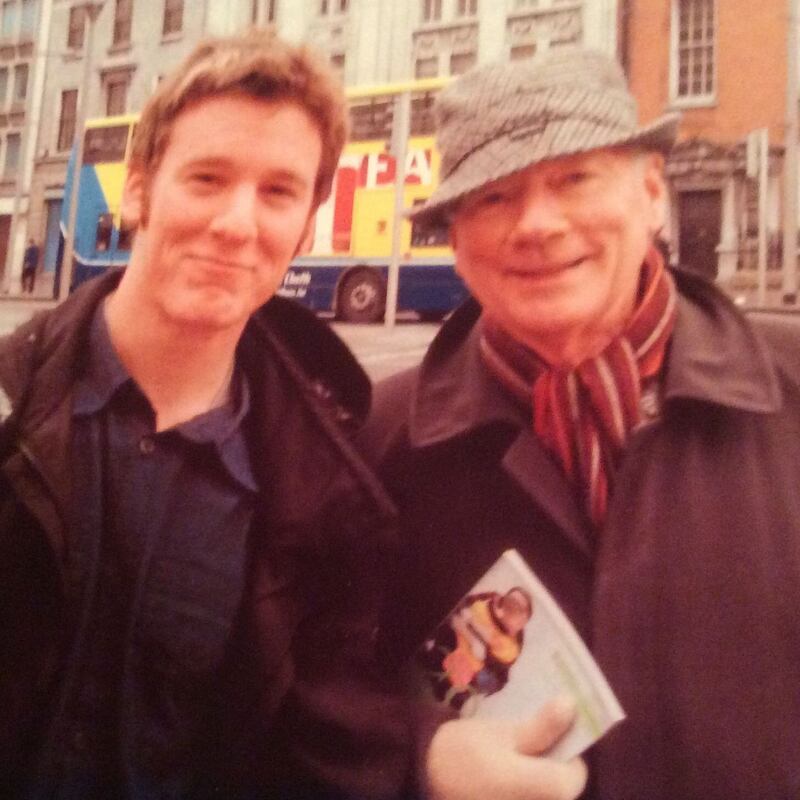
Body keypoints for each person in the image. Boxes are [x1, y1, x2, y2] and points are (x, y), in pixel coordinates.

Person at [359, 48, 800, 800]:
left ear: (652, 195)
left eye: (574, 178)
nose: (536, 223)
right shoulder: (381, 440)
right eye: (494, 198)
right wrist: (420, 758)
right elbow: (319, 696)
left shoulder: (789, 386)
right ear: (456, 244)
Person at [0, 29, 409, 799]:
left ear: (307, 224)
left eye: (278, 192)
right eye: (207, 178)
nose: (236, 223)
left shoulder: (325, 497)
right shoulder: (10, 406)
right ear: (140, 190)